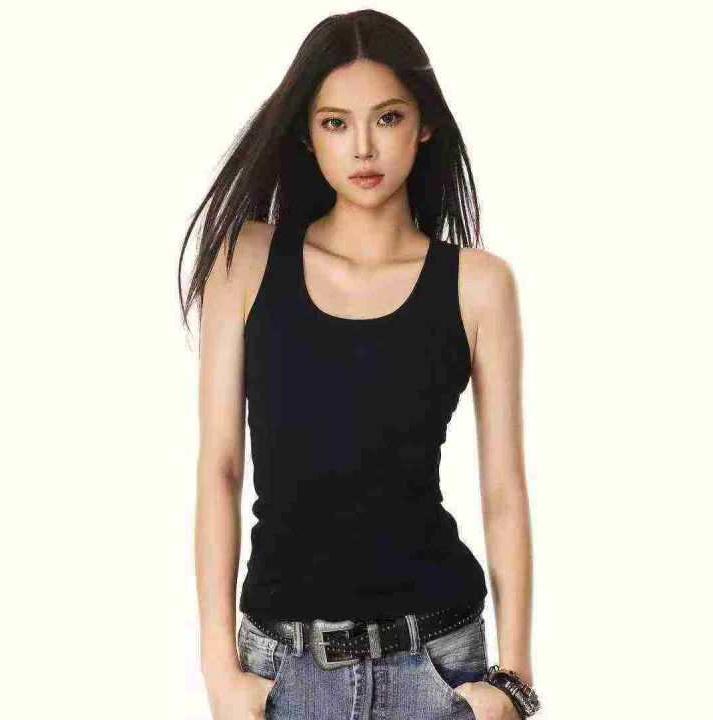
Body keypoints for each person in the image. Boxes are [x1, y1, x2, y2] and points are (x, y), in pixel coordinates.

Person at [179, 10, 539, 720]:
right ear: (308, 136)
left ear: (424, 125)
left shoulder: (479, 285)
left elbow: (503, 490)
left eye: (388, 118)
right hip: (281, 671)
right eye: (336, 123)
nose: (364, 147)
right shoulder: (246, 260)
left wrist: (514, 680)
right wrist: (219, 668)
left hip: (439, 662)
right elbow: (220, 467)